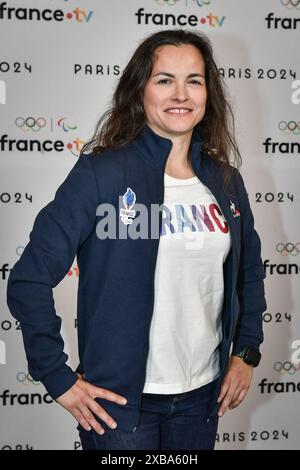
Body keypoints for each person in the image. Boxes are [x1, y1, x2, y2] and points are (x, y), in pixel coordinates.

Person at [6, 29, 267, 450]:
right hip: (121, 407)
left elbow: (249, 274)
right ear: (140, 89)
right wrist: (57, 376)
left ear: (208, 93)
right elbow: (29, 279)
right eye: (164, 80)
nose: (180, 94)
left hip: (202, 400)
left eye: (194, 81)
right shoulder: (102, 174)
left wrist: (246, 351)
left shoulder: (225, 181)